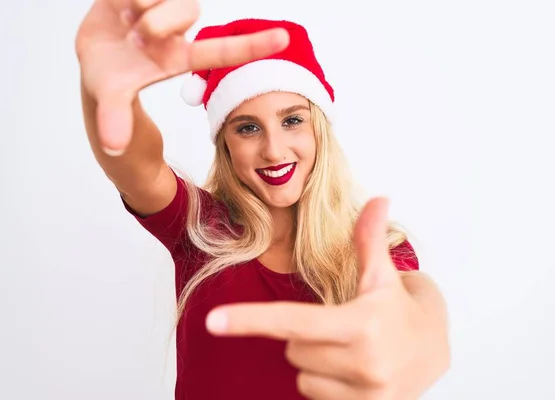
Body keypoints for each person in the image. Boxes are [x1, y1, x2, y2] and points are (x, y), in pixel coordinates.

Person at [75, 1, 450, 399]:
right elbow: (139, 166)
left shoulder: (371, 250)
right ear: (226, 147)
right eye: (248, 128)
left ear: (318, 129)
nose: (273, 150)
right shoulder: (201, 228)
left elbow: (413, 302)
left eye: (292, 120)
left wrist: (423, 330)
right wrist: (104, 94)